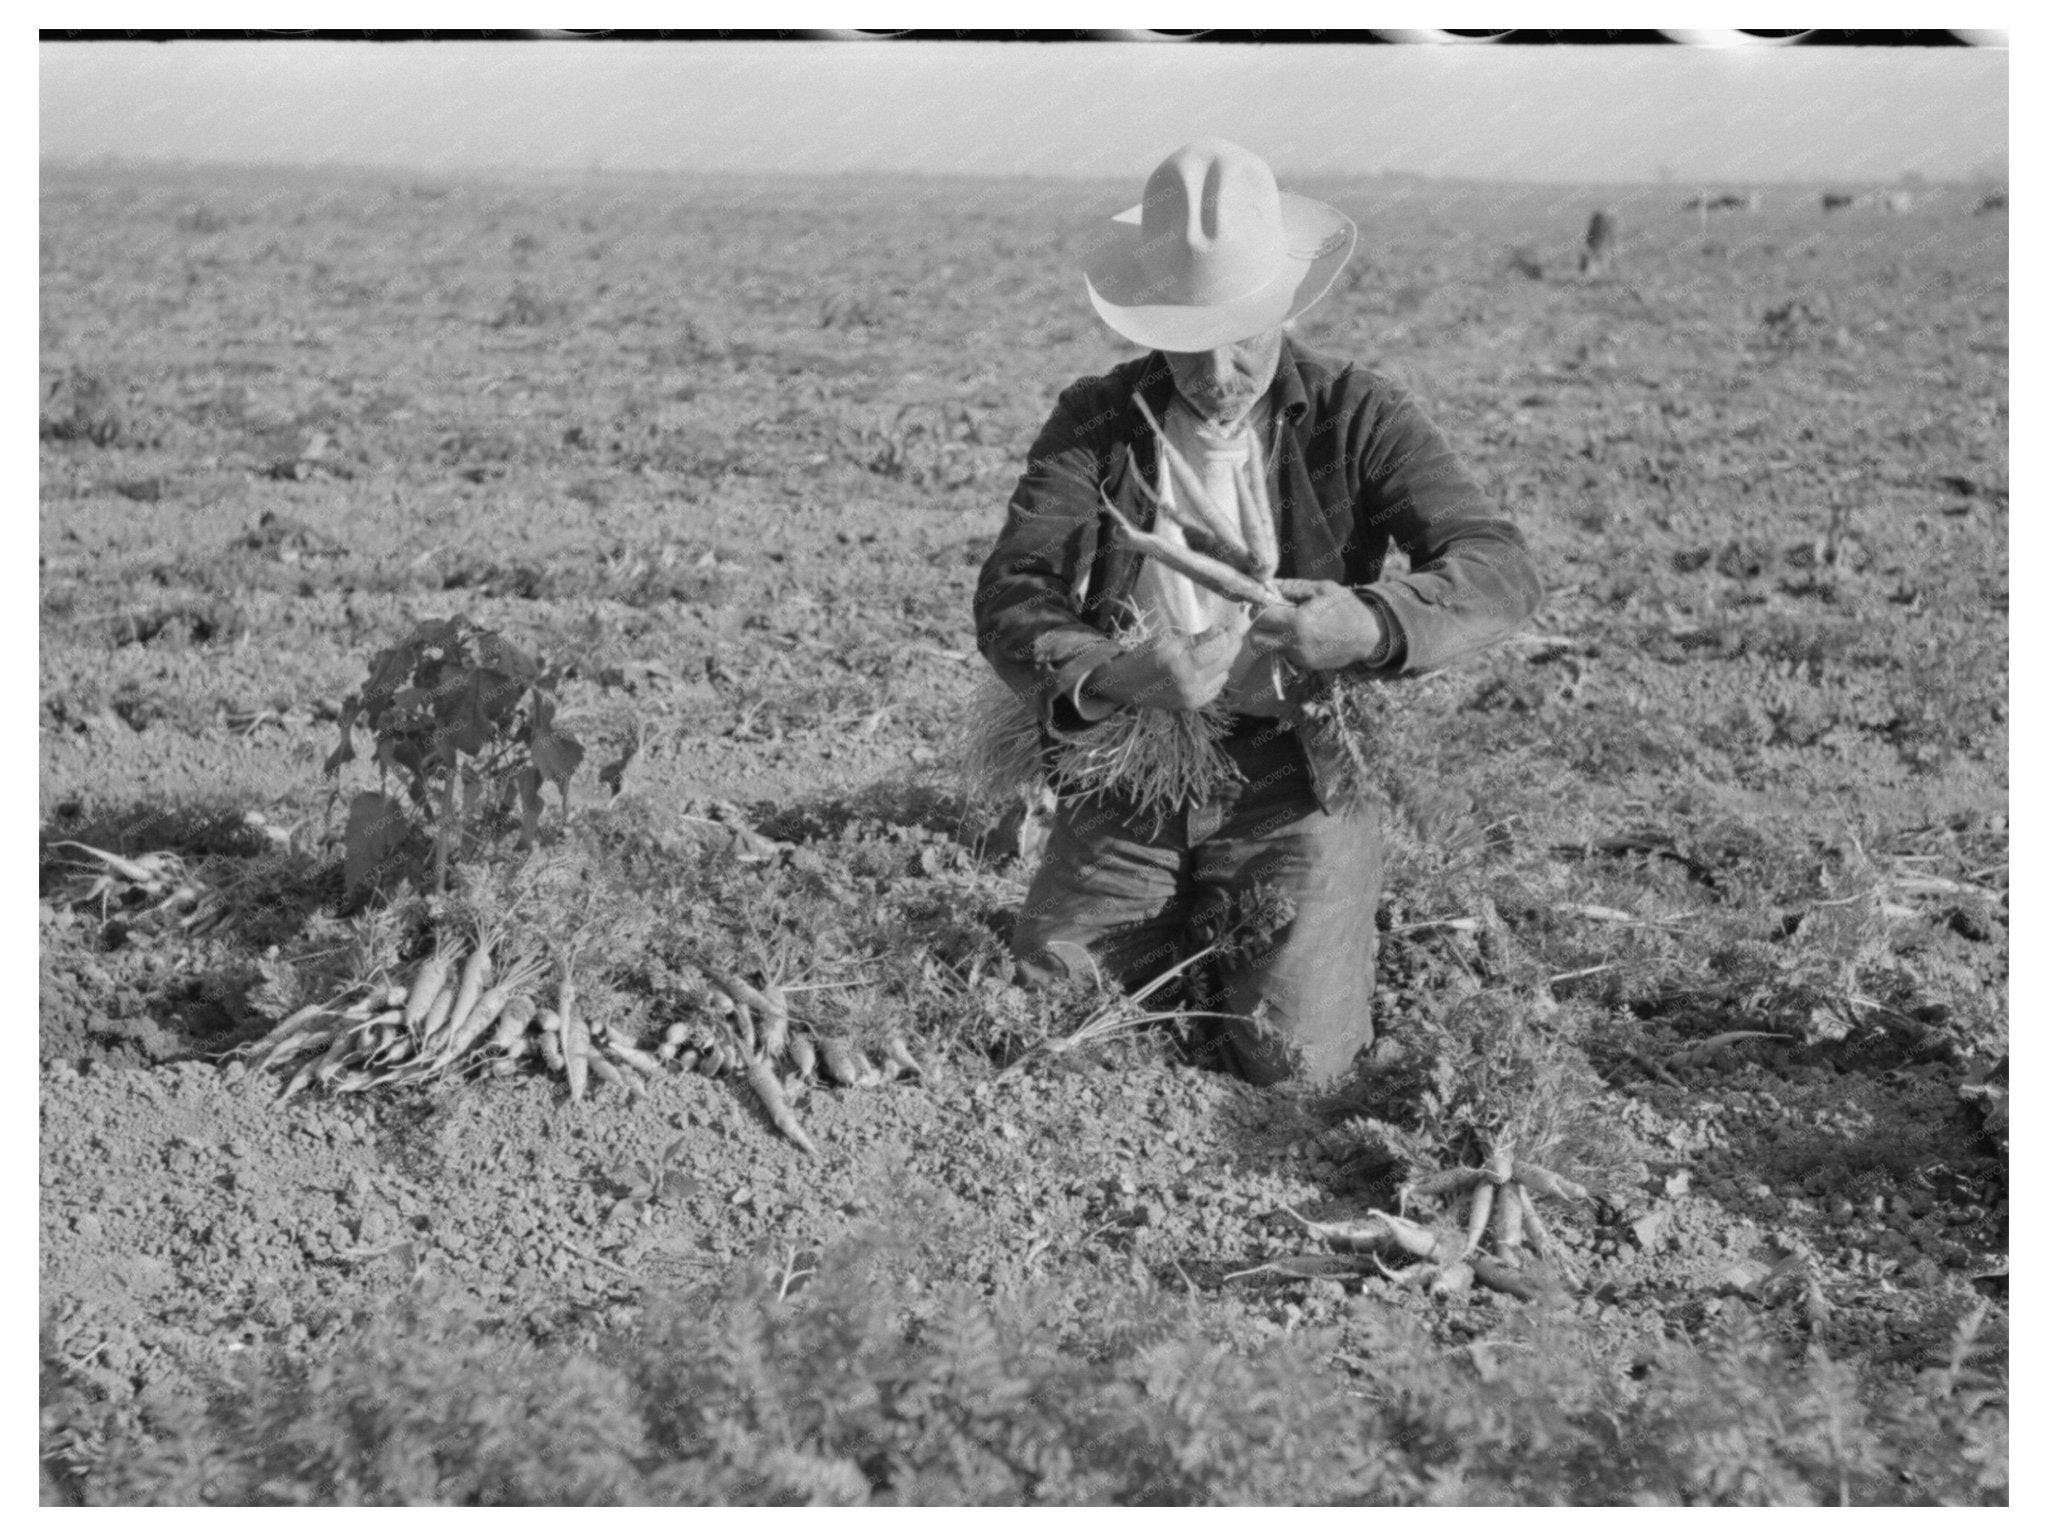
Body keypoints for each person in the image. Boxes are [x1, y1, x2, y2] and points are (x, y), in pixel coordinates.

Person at [973, 139, 1542, 1086]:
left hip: (1297, 776)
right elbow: (1014, 588)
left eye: (1243, 333)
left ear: (1283, 305)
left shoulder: (1357, 416)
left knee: (1298, 1070)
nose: (1219, 368)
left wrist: (1371, 623)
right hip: (1133, 774)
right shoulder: (1098, 421)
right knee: (1049, 1029)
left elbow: (1496, 567)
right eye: (1189, 339)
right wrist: (1115, 679)